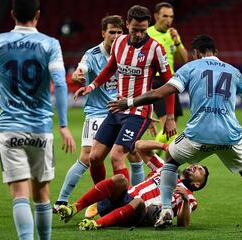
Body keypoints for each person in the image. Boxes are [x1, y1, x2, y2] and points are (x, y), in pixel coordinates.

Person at [108, 35, 242, 232]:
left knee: (170, 158)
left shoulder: (190, 67)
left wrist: (129, 102)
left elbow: (159, 93)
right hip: (229, 135)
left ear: (195, 53)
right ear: (216, 53)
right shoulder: (234, 72)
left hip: (198, 134)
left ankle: (166, 210)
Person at [0, 0, 76, 239]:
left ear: (12, 14)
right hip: (41, 128)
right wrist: (63, 125)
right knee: (42, 194)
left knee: (19, 194)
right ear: (38, 15)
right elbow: (61, 83)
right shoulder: (50, 44)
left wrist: (5, 81)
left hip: (10, 128)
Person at [73, 5, 177, 186]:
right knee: (94, 157)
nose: (138, 34)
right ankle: (102, 197)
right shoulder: (119, 42)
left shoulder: (156, 49)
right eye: (135, 30)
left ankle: (125, 204)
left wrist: (170, 116)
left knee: (116, 156)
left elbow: (171, 85)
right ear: (127, 24)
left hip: (138, 112)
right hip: (117, 108)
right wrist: (91, 86)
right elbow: (110, 68)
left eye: (143, 30)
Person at [53, 15, 127, 212]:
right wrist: (78, 75)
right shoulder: (92, 54)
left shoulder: (129, 52)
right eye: (112, 32)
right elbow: (81, 69)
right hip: (98, 112)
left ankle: (134, 199)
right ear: (103, 33)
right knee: (88, 157)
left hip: (123, 110)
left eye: (120, 32)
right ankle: (62, 200)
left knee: (133, 154)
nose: (116, 36)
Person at [57, 139, 209, 230]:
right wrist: (165, 147)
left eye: (200, 170)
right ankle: (74, 207)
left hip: (140, 213)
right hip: (122, 199)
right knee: (120, 179)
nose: (196, 166)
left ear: (196, 184)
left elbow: (183, 224)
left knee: (139, 201)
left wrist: (184, 199)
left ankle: (96, 224)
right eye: (197, 165)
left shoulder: (190, 198)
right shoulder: (165, 168)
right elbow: (138, 145)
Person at [147, 2, 188, 156]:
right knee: (167, 127)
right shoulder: (148, 34)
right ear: (156, 16)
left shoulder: (173, 34)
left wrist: (177, 41)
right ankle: (164, 165)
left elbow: (184, 59)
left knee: (170, 130)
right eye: (165, 16)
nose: (169, 19)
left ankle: (157, 163)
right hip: (155, 81)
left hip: (171, 82)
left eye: (171, 16)